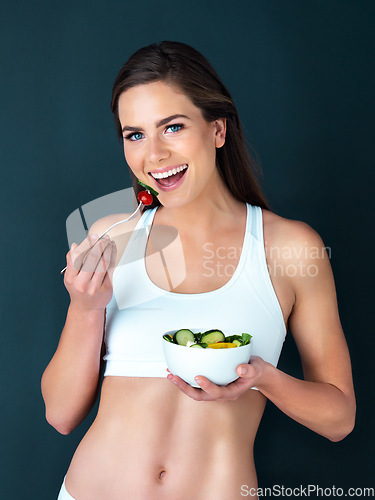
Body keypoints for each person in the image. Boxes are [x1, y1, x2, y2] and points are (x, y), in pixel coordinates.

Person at [41, 41, 356, 500]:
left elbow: (339, 419)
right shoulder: (112, 236)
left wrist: (262, 378)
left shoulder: (290, 247)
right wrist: (85, 308)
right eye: (135, 135)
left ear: (217, 131)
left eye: (172, 127)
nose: (154, 156)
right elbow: (61, 414)